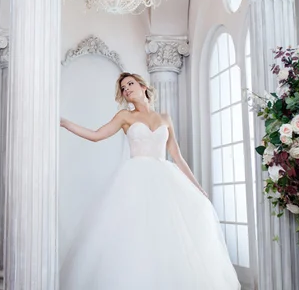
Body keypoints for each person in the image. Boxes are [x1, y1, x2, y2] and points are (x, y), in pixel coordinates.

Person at [59, 72, 241, 290]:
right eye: (124, 88)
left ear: (143, 86)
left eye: (130, 84)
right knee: (137, 234)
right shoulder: (125, 116)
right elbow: (96, 135)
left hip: (165, 180)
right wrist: (63, 122)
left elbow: (177, 156)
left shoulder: (165, 117)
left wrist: (197, 187)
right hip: (134, 181)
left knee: (169, 234)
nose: (127, 89)